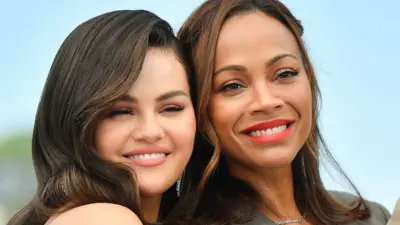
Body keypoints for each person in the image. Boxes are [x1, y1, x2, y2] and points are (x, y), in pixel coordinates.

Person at [178, 0, 391, 224]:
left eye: (284, 73)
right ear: (197, 108)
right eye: (232, 85)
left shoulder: (374, 217)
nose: (266, 101)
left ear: (308, 78)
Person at [8, 9, 197, 225]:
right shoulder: (103, 218)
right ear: (75, 122)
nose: (151, 131)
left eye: (171, 108)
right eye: (121, 112)